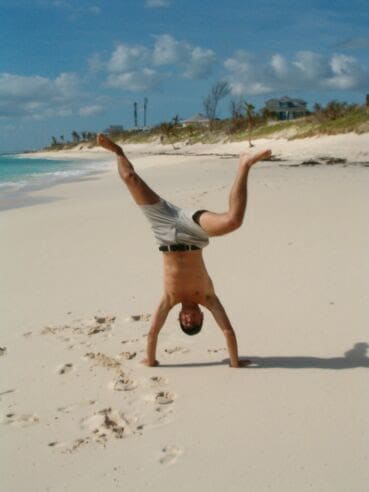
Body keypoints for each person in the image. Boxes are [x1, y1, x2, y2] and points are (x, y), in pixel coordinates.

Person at [97, 134, 271, 368]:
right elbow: (227, 331)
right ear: (201, 317)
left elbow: (152, 333)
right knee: (233, 221)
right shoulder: (208, 298)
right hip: (193, 234)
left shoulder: (170, 299)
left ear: (179, 317)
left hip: (163, 229)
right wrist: (234, 362)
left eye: (184, 322)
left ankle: (118, 150)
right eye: (193, 322)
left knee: (130, 178)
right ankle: (245, 164)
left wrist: (151, 360)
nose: (188, 319)